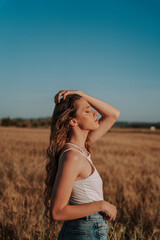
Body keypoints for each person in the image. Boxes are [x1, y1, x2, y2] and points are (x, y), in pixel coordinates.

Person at [44, 90, 120, 240]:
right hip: (84, 231)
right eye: (87, 111)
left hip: (87, 230)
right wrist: (101, 205)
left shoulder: (82, 148)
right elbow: (57, 212)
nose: (95, 114)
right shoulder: (73, 156)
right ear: (73, 121)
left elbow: (113, 115)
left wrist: (80, 94)